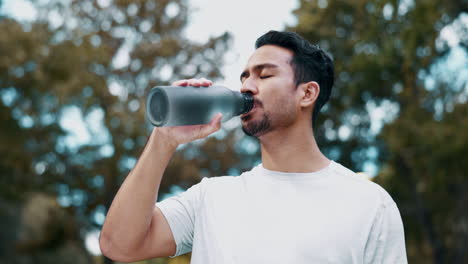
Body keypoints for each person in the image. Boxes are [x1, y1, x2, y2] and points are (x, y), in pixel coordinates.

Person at [99, 30, 408, 263]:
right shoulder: (212, 198)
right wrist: (163, 140)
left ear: (307, 94)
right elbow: (119, 245)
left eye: (265, 74)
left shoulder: (369, 204)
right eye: (244, 76)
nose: (246, 86)